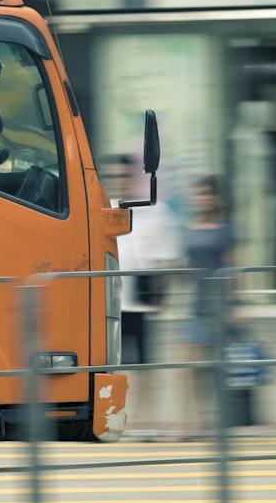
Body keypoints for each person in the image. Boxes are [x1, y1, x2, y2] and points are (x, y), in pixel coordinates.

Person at [101, 154, 181, 435]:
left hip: (141, 303)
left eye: (123, 174)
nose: (118, 179)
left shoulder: (153, 211)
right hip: (108, 302)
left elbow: (167, 257)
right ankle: (111, 423)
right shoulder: (103, 208)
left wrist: (162, 293)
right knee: (109, 368)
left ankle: (150, 423)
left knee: (146, 367)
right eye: (113, 174)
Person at [178, 176, 238, 437]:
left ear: (216, 198)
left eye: (206, 194)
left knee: (218, 368)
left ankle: (219, 422)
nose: (201, 199)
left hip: (219, 305)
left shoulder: (226, 228)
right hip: (195, 304)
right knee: (190, 369)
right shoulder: (188, 227)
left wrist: (235, 305)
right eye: (198, 194)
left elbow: (233, 269)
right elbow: (184, 266)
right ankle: (194, 422)